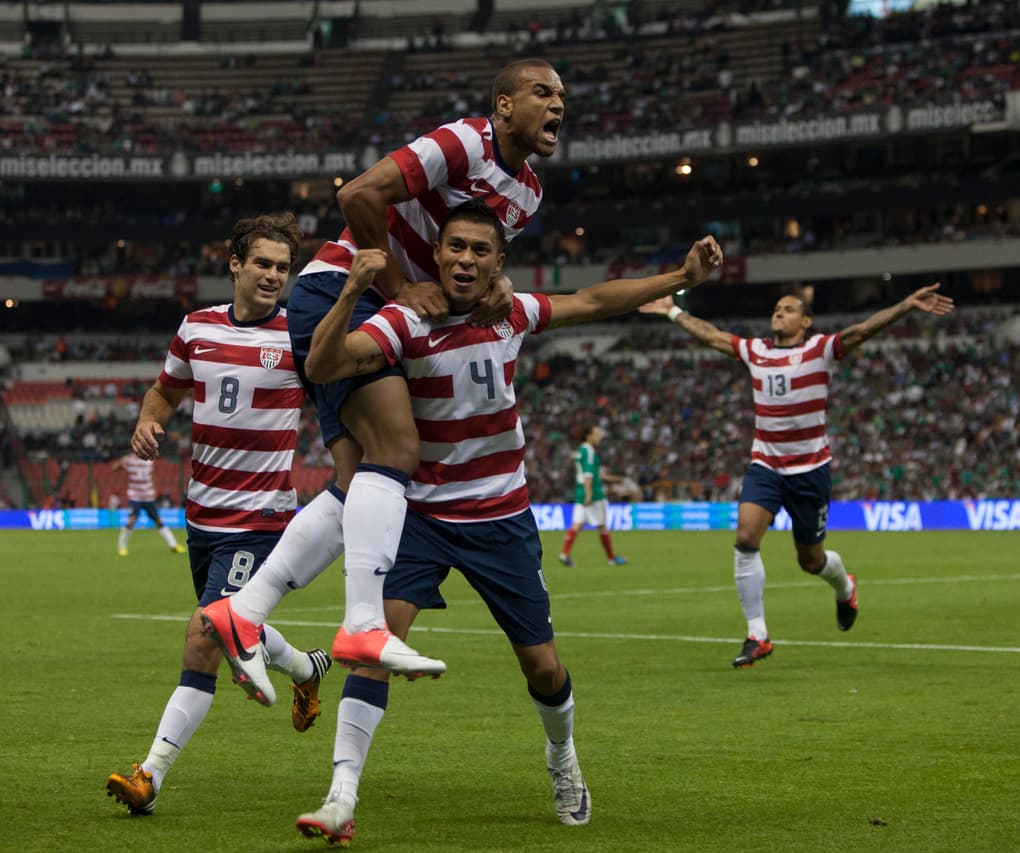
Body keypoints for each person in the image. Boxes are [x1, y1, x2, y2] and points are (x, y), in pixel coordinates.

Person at [283, 201, 722, 843]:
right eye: (454, 247)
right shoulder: (405, 319)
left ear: (498, 262)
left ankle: (562, 759)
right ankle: (340, 797)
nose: (465, 259)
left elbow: (597, 301)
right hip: (421, 517)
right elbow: (321, 368)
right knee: (371, 651)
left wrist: (680, 276)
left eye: (479, 251)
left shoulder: (511, 312)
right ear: (435, 254)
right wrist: (353, 289)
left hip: (499, 515)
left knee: (542, 667)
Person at [217, 58, 567, 679]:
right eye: (543, 92)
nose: (558, 104)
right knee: (401, 449)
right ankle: (359, 628)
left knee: (360, 481)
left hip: (376, 303)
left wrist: (498, 280)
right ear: (506, 106)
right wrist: (401, 286)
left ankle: (246, 611)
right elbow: (357, 194)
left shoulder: (529, 192)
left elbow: (469, 249)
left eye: (562, 95)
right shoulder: (462, 143)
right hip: (341, 289)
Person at [105, 213, 332, 816]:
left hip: (260, 521)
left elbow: (341, 398)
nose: (273, 276)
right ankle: (306, 669)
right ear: (235, 264)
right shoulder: (197, 327)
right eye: (262, 263)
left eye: (283, 268)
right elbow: (166, 390)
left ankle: (149, 776)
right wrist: (149, 419)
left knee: (206, 634)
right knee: (234, 635)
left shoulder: (299, 336)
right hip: (202, 515)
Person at [640, 283, 955, 668]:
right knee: (745, 537)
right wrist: (673, 312)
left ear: (805, 322)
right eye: (776, 308)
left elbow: (862, 330)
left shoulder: (819, 350)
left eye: (788, 309)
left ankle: (845, 586)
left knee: (810, 559)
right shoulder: (756, 352)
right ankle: (758, 634)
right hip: (766, 466)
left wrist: (905, 305)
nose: (779, 313)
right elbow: (713, 336)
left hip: (811, 471)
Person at [557, 425, 627, 567]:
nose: (600, 436)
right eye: (597, 433)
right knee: (602, 526)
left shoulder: (581, 450)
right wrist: (589, 494)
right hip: (593, 494)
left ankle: (564, 554)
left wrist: (614, 479)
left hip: (580, 492)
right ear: (588, 436)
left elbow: (595, 474)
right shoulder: (589, 451)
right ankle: (612, 559)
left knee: (577, 525)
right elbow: (588, 476)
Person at [111, 451, 186, 557]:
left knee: (158, 521)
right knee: (131, 521)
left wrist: (154, 489)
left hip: (148, 496)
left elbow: (151, 475)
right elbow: (114, 468)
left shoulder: (148, 461)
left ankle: (173, 545)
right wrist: (122, 460)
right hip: (135, 496)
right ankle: (122, 547)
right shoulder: (129, 461)